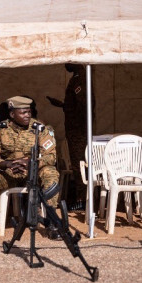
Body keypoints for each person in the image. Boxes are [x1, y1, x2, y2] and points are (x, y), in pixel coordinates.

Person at [0, 96, 60, 241]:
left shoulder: (40, 129)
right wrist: (6, 164)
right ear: (12, 114)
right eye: (23, 112)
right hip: (8, 175)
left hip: (32, 173)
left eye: (29, 112)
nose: (27, 115)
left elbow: (51, 156)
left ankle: (52, 224)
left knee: (51, 173)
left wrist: (32, 162)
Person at [46, 63, 92, 210]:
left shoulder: (80, 79)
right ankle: (82, 198)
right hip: (76, 129)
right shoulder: (77, 78)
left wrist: (80, 125)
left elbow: (83, 105)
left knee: (80, 164)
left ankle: (83, 200)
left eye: (68, 61)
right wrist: (63, 105)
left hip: (78, 130)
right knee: (78, 163)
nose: (65, 64)